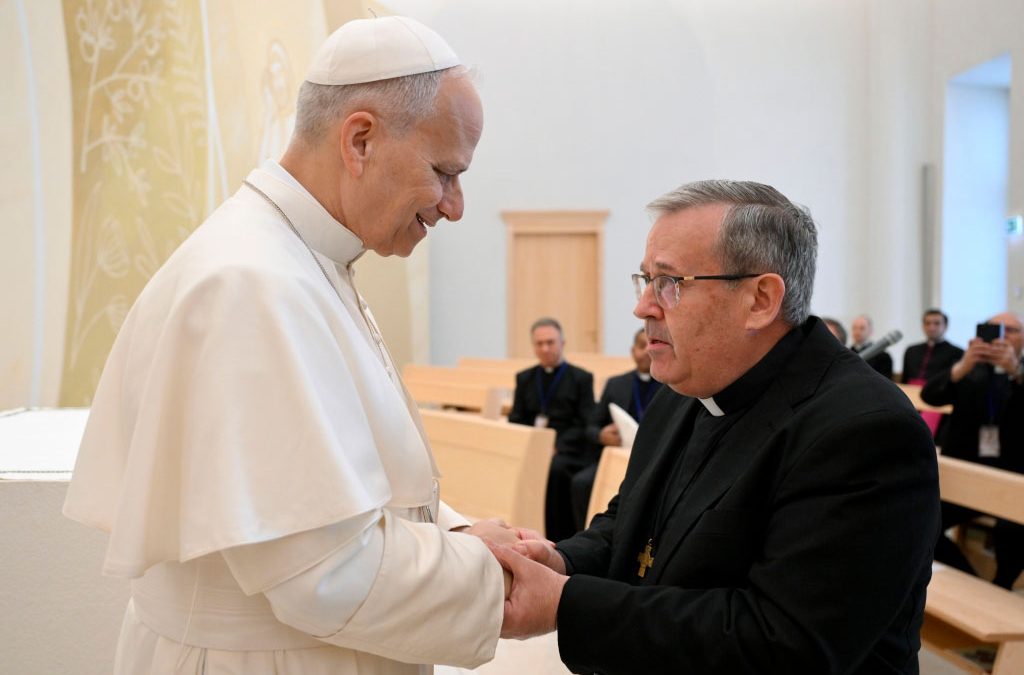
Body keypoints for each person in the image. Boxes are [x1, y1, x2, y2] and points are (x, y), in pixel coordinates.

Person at [63, 16, 515, 674]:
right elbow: (321, 570)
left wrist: (458, 534)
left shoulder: (301, 260)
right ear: (359, 139)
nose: (455, 205)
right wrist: (487, 577)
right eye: (444, 171)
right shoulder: (251, 284)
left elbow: (345, 489)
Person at [493, 180, 939, 674]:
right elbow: (631, 523)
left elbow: (785, 644)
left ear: (760, 299)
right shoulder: (685, 389)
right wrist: (562, 562)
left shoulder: (865, 433)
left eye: (671, 283)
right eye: (646, 280)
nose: (643, 307)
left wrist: (566, 602)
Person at [921, 312, 1024, 589]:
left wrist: (1017, 372)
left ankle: (1001, 586)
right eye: (992, 330)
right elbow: (930, 395)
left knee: (1013, 531)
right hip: (968, 473)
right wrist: (962, 366)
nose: (1000, 336)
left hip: (1013, 477)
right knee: (922, 521)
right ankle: (974, 584)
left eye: (1010, 331)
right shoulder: (969, 369)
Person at [508, 318, 596, 541]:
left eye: (550, 342)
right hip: (533, 446)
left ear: (562, 343)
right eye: (539, 344)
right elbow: (517, 418)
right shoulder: (525, 378)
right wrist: (531, 446)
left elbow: (584, 422)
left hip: (567, 449)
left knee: (555, 469)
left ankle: (558, 536)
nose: (545, 348)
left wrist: (556, 446)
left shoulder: (581, 378)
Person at [571, 328, 663, 528]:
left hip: (655, 460)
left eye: (652, 343)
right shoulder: (616, 384)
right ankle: (583, 534)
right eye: (641, 345)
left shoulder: (670, 384)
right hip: (618, 455)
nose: (646, 350)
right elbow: (591, 426)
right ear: (632, 351)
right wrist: (601, 435)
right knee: (581, 483)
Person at [901, 308, 964, 384]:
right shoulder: (911, 350)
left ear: (946, 326)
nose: (932, 328)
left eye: (937, 323)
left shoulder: (957, 352)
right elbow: (904, 380)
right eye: (927, 323)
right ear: (923, 326)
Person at [850, 314, 894, 379]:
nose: (857, 332)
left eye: (862, 328)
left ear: (871, 331)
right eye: (854, 328)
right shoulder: (847, 353)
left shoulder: (882, 356)